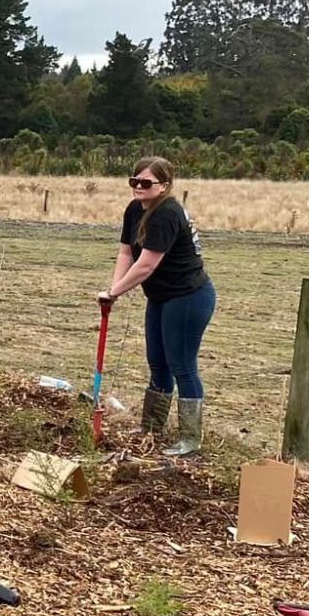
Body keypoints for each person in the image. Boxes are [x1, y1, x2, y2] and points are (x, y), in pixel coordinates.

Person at [99, 156, 214, 456]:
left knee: (182, 365)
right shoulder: (135, 209)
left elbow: (147, 265)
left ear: (164, 186)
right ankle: (151, 427)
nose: (138, 187)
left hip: (188, 297)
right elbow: (126, 253)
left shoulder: (166, 214)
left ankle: (190, 439)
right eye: (134, 181)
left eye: (146, 183)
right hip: (161, 297)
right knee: (157, 362)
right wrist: (114, 289)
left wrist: (115, 292)